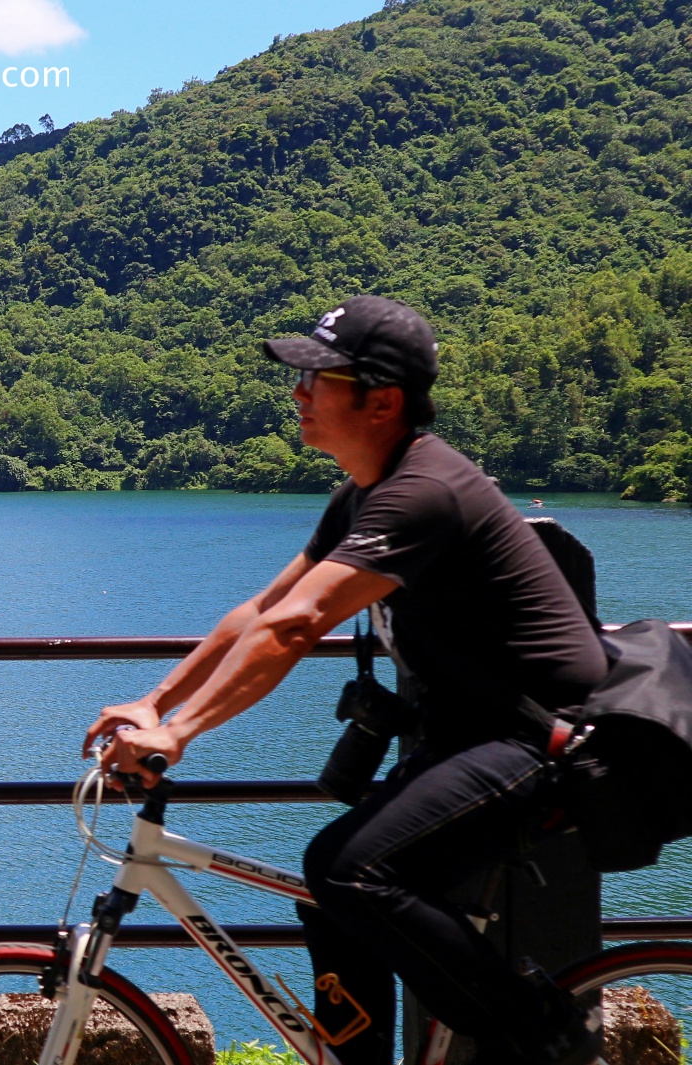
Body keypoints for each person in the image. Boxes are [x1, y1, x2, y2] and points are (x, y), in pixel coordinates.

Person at [82, 295, 608, 1065]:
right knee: (333, 896)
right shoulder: (363, 492)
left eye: (319, 377)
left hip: (543, 738)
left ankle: (544, 1031)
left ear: (382, 400)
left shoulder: (422, 491)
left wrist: (180, 733)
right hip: (468, 735)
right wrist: (155, 701)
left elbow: (298, 628)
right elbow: (262, 610)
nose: (298, 392)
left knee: (349, 867)